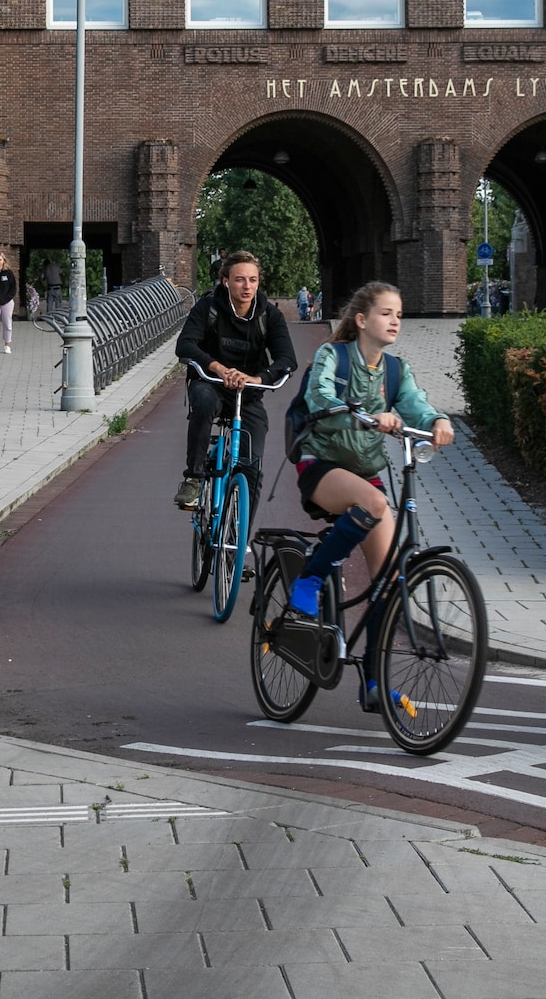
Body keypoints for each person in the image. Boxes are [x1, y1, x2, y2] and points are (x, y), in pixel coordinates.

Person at [284, 281, 456, 712]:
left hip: (364, 472)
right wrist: (361, 415)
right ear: (362, 320)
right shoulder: (334, 356)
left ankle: (374, 684)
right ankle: (309, 577)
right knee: (376, 504)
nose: (395, 320)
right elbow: (318, 393)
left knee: (388, 582)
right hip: (320, 464)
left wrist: (436, 420)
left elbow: (415, 404)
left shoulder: (396, 371)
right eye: (385, 313)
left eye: (399, 313)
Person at [174, 251, 297, 512]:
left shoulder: (268, 315)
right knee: (204, 404)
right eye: (240, 279)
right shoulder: (208, 307)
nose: (247, 286)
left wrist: (257, 378)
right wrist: (217, 367)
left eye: (253, 280)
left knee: (252, 470)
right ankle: (193, 478)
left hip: (248, 393)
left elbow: (287, 358)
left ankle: (236, 545)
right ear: (225, 281)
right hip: (210, 384)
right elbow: (184, 344)